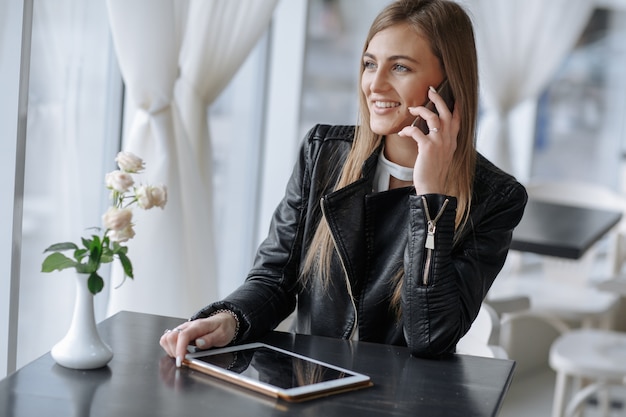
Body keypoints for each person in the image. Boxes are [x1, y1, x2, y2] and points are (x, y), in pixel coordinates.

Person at [161, 0, 527, 367]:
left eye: (400, 67)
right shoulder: (323, 154)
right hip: (309, 388)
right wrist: (229, 319)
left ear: (448, 84)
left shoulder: (495, 197)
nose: (375, 84)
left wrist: (432, 200)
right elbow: (275, 278)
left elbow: (430, 337)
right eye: (370, 64)